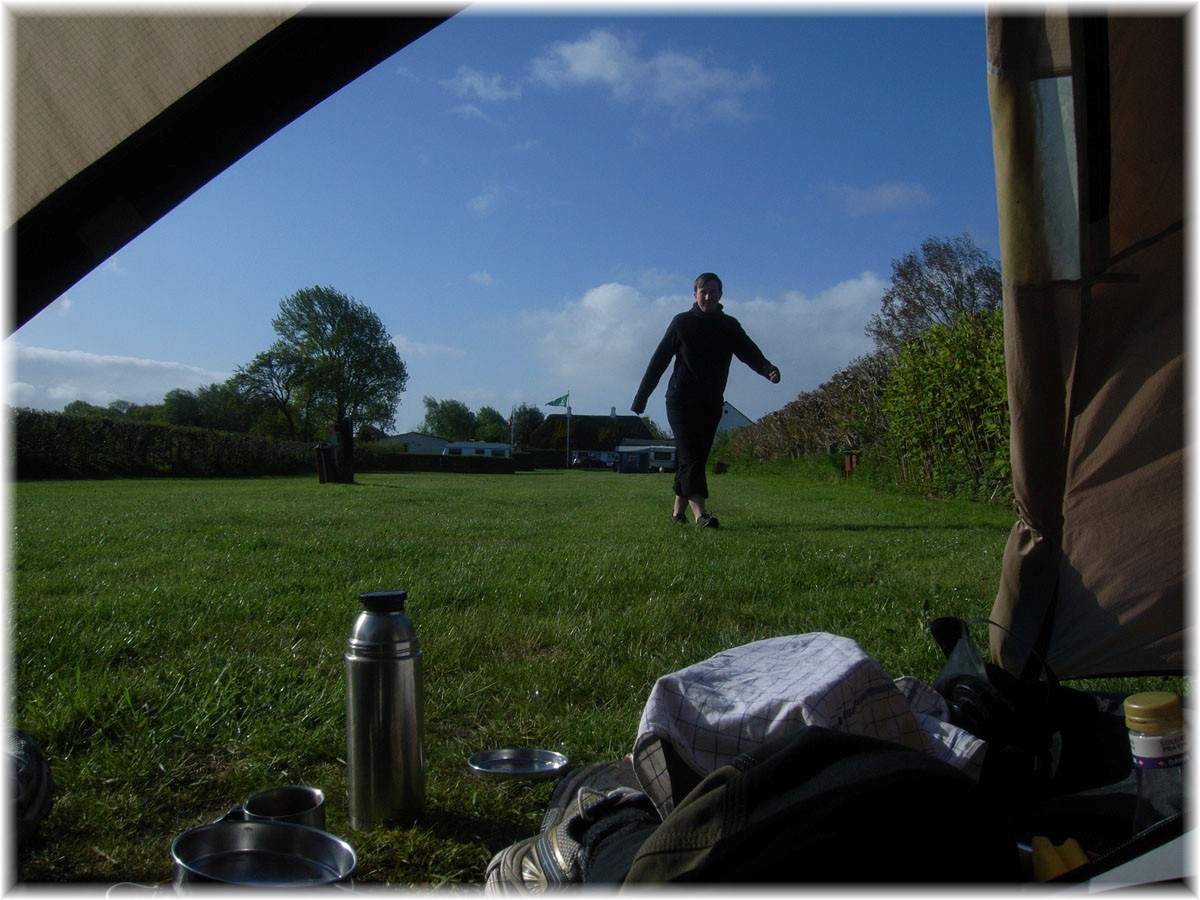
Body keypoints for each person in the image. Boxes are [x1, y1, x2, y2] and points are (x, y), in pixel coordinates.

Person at [631, 273, 780, 528]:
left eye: (713, 292)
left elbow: (748, 351)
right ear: (695, 294)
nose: (708, 297)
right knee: (691, 455)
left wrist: (767, 369)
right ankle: (701, 516)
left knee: (696, 457)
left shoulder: (729, 326)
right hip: (680, 400)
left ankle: (677, 514)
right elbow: (658, 362)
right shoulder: (681, 323)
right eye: (703, 291)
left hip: (711, 402)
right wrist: (641, 399)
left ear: (721, 295)